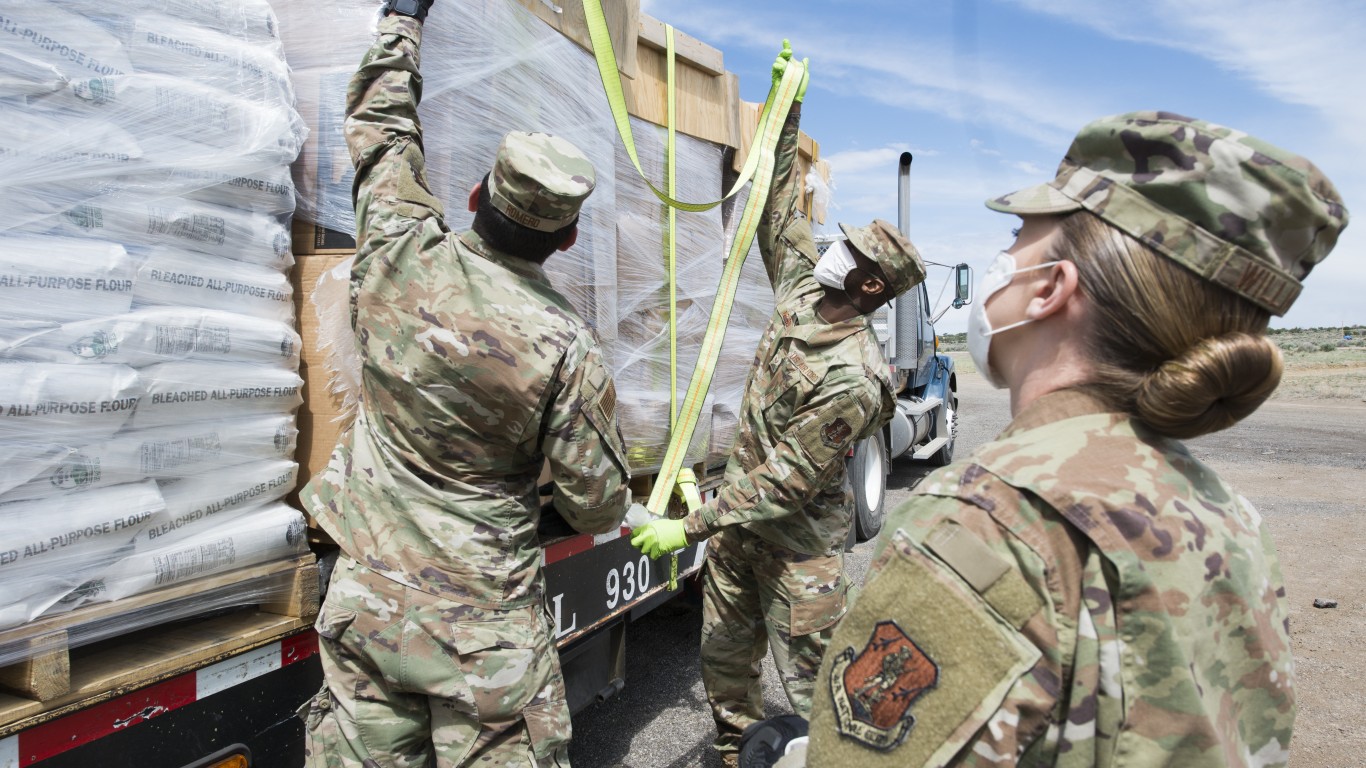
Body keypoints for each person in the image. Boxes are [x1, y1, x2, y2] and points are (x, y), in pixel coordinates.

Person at [751, 111, 1349, 767]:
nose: (999, 263)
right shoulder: (1228, 513)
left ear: (1049, 290)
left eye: (1017, 238)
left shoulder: (986, 527)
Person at [297, 1, 632, 765]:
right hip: (484, 635)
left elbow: (381, 128)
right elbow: (598, 503)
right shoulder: (566, 347)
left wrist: (402, 19)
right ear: (569, 238)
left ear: (476, 195)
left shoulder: (397, 251)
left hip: (369, 600)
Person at [630, 42, 928, 767]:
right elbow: (777, 208)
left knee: (822, 686)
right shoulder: (805, 290)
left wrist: (687, 528)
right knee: (725, 661)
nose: (833, 247)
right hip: (740, 535)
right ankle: (739, 751)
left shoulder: (855, 377)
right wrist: (786, 111)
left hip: (797, 550)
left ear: (868, 288)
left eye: (849, 252)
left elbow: (785, 481)